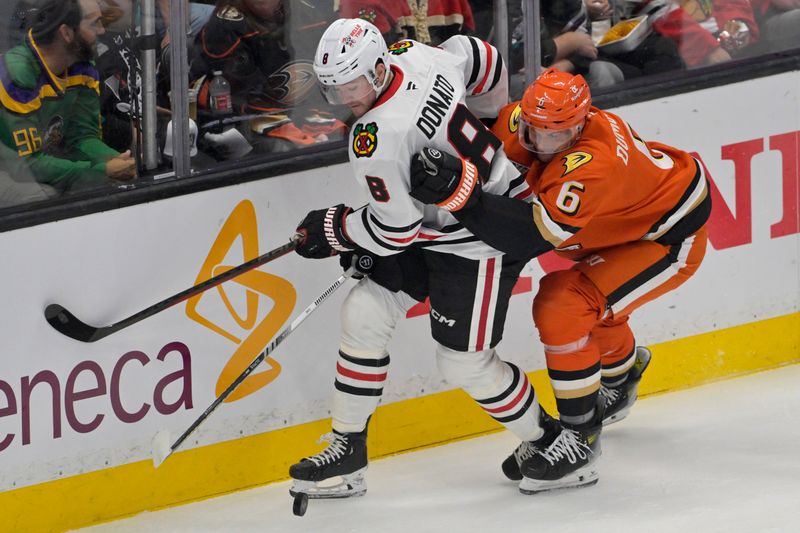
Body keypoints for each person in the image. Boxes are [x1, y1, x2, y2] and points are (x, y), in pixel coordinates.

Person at [408, 68, 711, 493]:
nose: (542, 143)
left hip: (666, 235)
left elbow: (529, 235)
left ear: (581, 125)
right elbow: (493, 164)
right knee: (597, 308)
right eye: (534, 131)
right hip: (619, 223)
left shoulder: (595, 162)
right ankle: (623, 375)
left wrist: (460, 194)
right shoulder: (523, 118)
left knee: (564, 305)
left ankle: (580, 439)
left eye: (557, 135)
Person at [287, 18, 555, 499]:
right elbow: (482, 58)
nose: (345, 98)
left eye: (352, 85)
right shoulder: (415, 54)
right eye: (334, 89)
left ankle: (549, 441)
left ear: (375, 70)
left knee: (464, 365)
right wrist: (493, 124)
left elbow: (394, 231)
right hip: (442, 224)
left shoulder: (376, 140)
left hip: (481, 234)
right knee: (365, 310)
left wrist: (337, 230)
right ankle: (347, 450)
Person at [0, 0, 136, 195]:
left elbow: (82, 137)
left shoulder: (81, 66)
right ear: (66, 33)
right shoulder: (17, 74)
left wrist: (115, 160)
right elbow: (26, 166)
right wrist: (101, 170)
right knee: (42, 196)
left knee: (119, 184)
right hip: (8, 169)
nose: (102, 31)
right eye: (93, 23)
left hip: (37, 161)